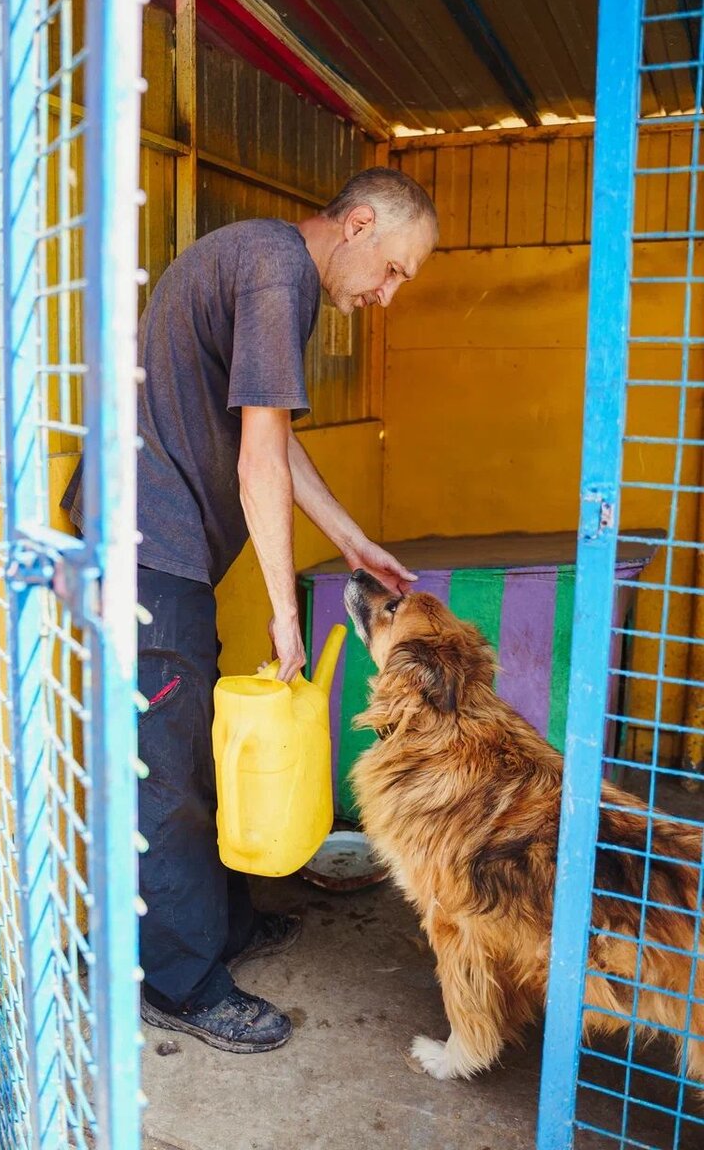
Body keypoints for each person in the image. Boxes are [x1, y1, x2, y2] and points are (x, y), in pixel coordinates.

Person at [63, 166, 438, 1054]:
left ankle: (224, 927)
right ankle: (181, 982)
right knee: (168, 771)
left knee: (195, 745)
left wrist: (349, 541)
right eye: (393, 270)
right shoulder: (278, 270)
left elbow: (272, 435)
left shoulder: (273, 268)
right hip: (143, 553)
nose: (386, 295)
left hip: (160, 548)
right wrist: (284, 611)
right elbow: (259, 458)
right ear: (356, 225)